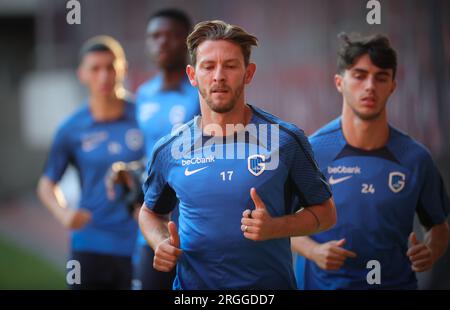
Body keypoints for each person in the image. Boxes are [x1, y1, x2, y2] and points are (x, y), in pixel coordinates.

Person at [138, 20, 336, 289]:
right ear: (192, 75)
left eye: (230, 65)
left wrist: (276, 227)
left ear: (248, 73)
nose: (219, 76)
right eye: (208, 66)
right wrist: (160, 243)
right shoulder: (169, 149)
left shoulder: (286, 141)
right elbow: (150, 213)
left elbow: (326, 213)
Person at [292, 33, 450, 290]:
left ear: (392, 86)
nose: (370, 86)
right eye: (359, 75)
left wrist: (430, 250)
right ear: (339, 82)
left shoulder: (416, 159)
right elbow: (280, 223)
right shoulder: (311, 151)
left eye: (380, 77)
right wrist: (313, 251)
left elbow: (439, 226)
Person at [36, 36, 144, 289]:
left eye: (110, 67)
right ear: (82, 74)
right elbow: (46, 184)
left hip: (139, 242)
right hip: (89, 245)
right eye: (95, 69)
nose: (104, 76)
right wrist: (64, 214)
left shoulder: (145, 117)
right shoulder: (71, 128)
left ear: (123, 69)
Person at [108, 9, 200, 290]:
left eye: (171, 36)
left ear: (188, 42)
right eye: (155, 36)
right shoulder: (144, 94)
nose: (162, 42)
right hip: (152, 227)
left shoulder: (202, 92)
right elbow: (154, 155)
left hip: (194, 227)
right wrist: (132, 171)